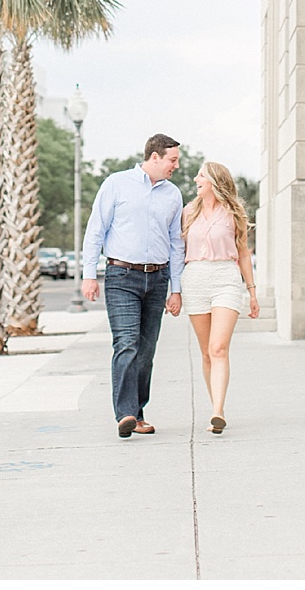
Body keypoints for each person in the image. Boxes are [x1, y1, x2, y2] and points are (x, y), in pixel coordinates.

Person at [81, 134, 185, 439]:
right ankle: (125, 413)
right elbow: (96, 230)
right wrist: (89, 274)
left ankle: (137, 412)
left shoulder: (173, 194)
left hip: (158, 278)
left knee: (146, 350)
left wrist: (175, 289)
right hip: (121, 277)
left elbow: (176, 243)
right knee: (126, 343)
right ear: (155, 157)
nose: (175, 166)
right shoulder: (116, 183)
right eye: (172, 160)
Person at [181, 159, 260, 433]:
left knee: (218, 348)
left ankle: (217, 411)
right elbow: (175, 251)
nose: (195, 180)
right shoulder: (188, 212)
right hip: (195, 279)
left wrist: (251, 292)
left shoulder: (233, 213)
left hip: (226, 278)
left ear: (214, 181)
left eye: (200, 176)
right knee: (206, 353)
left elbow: (243, 253)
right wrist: (175, 290)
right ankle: (218, 406)